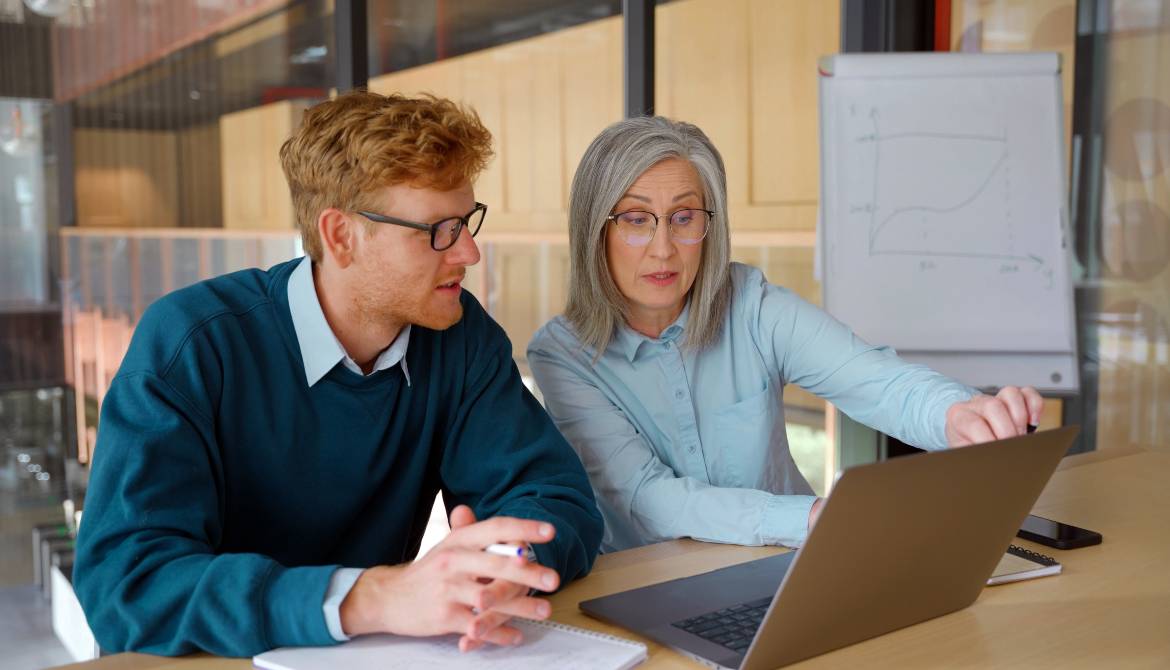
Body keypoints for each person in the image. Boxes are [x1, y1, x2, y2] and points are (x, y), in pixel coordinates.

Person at [73, 91, 603, 657]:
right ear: (341, 236)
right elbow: (126, 586)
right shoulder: (193, 343)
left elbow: (555, 497)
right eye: (437, 230)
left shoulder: (459, 337)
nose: (469, 253)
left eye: (466, 222)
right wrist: (367, 598)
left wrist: (502, 567)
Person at [527, 116, 1043, 554]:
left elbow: (876, 381)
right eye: (637, 220)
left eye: (684, 218)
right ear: (596, 231)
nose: (663, 249)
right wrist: (815, 517)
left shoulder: (750, 304)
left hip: (785, 568)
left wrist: (957, 415)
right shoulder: (563, 356)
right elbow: (648, 498)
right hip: (648, 587)